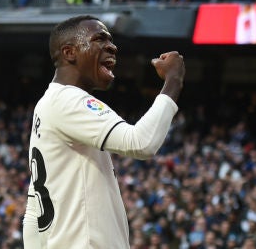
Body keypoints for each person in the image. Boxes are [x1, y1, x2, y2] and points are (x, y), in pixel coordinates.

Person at [22, 14, 185, 248]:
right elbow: (141, 143)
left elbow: (33, 207)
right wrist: (173, 80)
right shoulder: (69, 100)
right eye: (100, 39)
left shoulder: (47, 104)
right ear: (69, 52)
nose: (112, 47)